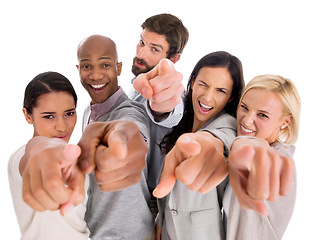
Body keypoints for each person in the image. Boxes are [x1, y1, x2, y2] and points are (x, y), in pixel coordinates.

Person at [153, 51, 245, 240]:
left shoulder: (227, 125)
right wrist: (161, 220)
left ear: (231, 98)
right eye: (203, 85)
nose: (208, 98)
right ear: (193, 81)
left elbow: (217, 139)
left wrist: (208, 143)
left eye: (221, 90)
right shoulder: (181, 119)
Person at [8, 71, 89, 239]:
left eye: (69, 113)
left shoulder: (77, 157)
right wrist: (41, 150)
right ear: (27, 115)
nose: (62, 126)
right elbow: (36, 150)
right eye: (49, 116)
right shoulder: (21, 157)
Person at [224, 74, 300, 239]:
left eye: (262, 115)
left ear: (285, 122)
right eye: (244, 107)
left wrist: (242, 145)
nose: (247, 120)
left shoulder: (278, 162)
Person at [129, 13, 189, 197]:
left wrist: (162, 107)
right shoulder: (134, 84)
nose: (141, 54)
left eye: (154, 49)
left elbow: (171, 109)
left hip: (150, 200)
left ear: (173, 59)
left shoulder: (173, 92)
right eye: (141, 42)